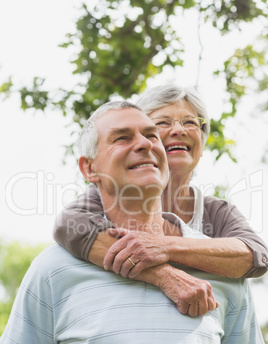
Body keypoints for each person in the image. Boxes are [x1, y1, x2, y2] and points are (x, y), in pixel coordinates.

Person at [0, 101, 266, 344]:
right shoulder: (54, 268)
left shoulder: (220, 266)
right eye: (122, 137)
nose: (145, 144)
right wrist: (162, 273)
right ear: (89, 168)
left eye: (152, 136)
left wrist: (164, 248)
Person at [53, 84, 268, 317]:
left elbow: (256, 256)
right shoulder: (105, 195)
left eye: (190, 122)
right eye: (162, 123)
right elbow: (69, 225)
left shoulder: (217, 211)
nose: (179, 130)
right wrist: (163, 274)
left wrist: (164, 246)